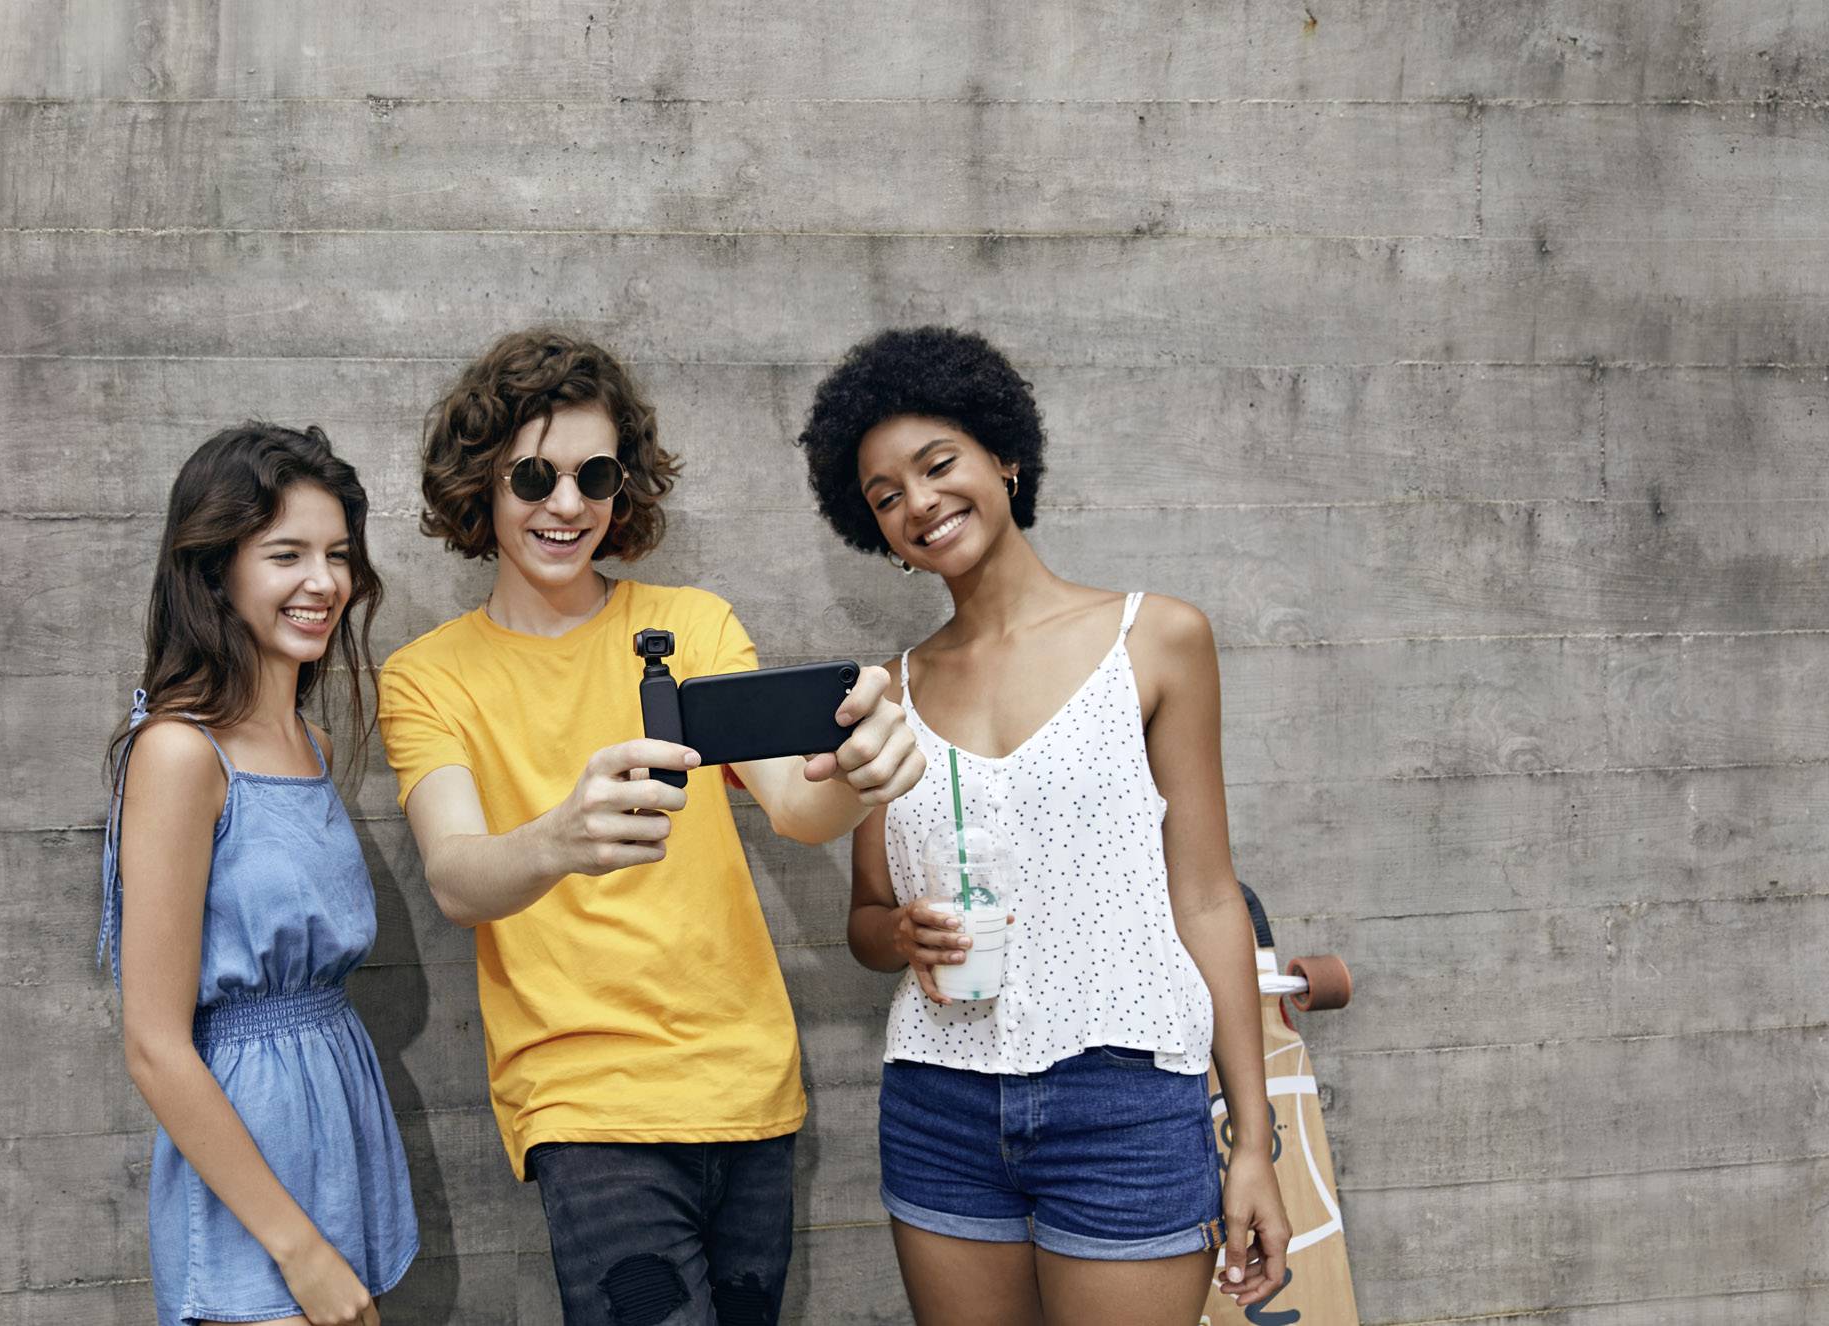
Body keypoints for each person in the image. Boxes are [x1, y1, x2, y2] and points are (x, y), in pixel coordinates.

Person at [375, 328, 926, 1325]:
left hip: (750, 1093)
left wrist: (863, 766)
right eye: (534, 475)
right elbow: (457, 878)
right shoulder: (429, 674)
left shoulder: (694, 625)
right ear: (482, 486)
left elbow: (802, 808)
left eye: (595, 476)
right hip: (589, 1107)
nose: (567, 504)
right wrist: (561, 838)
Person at [796, 327, 1293, 1325]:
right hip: (940, 1106)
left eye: (939, 465)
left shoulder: (1156, 641)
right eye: (887, 495)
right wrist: (901, 936)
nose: (920, 502)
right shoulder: (882, 693)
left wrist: (1249, 1142)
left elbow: (1205, 897)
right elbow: (865, 916)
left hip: (1126, 1105)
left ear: (1005, 458)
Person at [99, 423, 416, 1326]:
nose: (324, 582)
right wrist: (300, 1249)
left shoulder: (307, 742)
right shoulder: (178, 754)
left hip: (338, 1140)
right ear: (215, 572)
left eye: (338, 555)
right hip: (253, 1176)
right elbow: (154, 1044)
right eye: (287, 554)